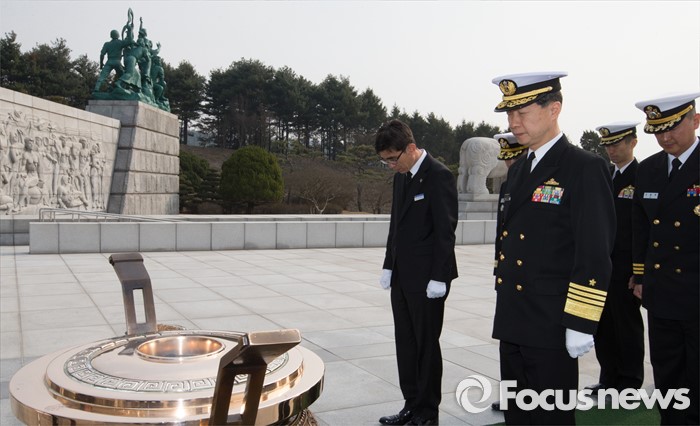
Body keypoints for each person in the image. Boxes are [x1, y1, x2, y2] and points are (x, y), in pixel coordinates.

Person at [490, 71, 616, 424]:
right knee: (518, 415)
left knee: (550, 417)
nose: (513, 123)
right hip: (514, 317)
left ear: (554, 109)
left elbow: (594, 250)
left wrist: (581, 320)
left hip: (552, 321)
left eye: (522, 112)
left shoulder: (584, 167)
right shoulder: (518, 170)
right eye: (509, 114)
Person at [375, 119, 458, 426]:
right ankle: (410, 405)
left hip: (428, 280)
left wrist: (439, 276)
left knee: (426, 346)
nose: (390, 166)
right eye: (385, 161)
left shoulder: (438, 175)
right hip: (402, 275)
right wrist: (388, 264)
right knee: (406, 344)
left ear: (410, 148)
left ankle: (427, 412)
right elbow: (395, 226)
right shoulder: (402, 176)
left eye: (392, 159)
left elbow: (445, 232)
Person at [632, 92, 699, 425]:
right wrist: (640, 276)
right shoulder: (649, 170)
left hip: (697, 292)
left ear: (696, 121)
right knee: (667, 374)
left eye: (672, 128)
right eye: (658, 130)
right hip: (661, 293)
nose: (665, 137)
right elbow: (641, 228)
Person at [583, 122, 645, 395]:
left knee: (626, 326)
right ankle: (608, 378)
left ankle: (630, 381)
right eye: (607, 145)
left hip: (625, 268)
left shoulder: (641, 176)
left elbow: (642, 227)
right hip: (601, 267)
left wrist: (638, 271)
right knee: (603, 325)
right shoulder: (605, 175)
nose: (611, 150)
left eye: (617, 144)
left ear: (633, 143)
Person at [491, 132, 526, 412]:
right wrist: (497, 268)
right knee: (508, 344)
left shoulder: (534, 182)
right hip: (507, 277)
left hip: (529, 279)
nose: (510, 163)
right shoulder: (506, 185)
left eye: (514, 157)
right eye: (507, 158)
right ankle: (511, 396)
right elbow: (501, 232)